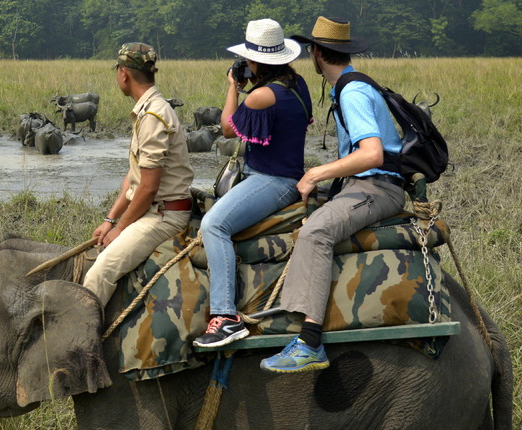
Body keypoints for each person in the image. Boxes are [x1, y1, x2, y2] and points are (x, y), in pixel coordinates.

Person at [259, 16, 407, 372]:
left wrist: (317, 173)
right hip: (363, 184)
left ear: (316, 53)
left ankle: (310, 341)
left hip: (377, 186)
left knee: (316, 232)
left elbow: (371, 154)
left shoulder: (352, 91)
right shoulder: (345, 85)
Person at [193, 18, 312, 349]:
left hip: (274, 180)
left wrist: (233, 86)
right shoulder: (296, 83)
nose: (244, 64)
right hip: (284, 173)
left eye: (247, 59)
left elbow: (229, 128)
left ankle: (226, 317)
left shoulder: (262, 96)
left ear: (257, 61)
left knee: (214, 224)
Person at [82, 43, 195, 306]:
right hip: (152, 209)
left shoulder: (154, 114)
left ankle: (85, 344)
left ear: (124, 74)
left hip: (164, 214)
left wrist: (120, 228)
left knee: (100, 272)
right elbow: (133, 178)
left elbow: (148, 188)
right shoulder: (147, 109)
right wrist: (110, 220)